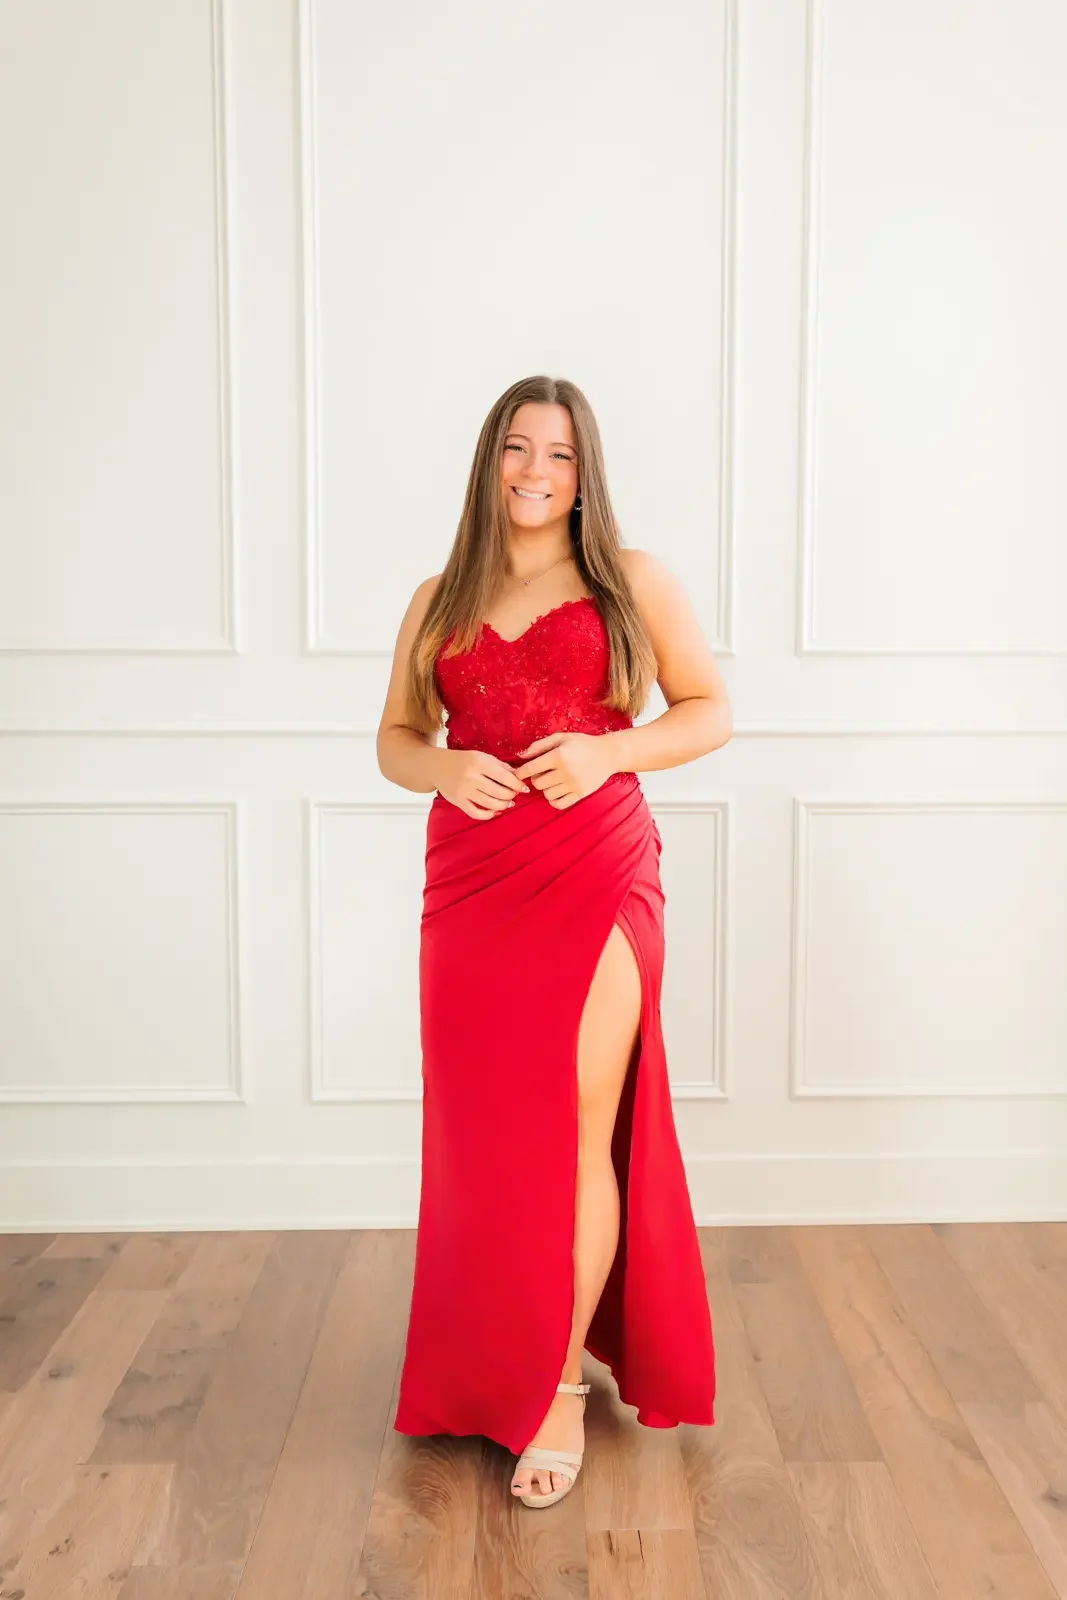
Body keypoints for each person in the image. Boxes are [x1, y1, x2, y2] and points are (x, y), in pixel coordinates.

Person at [376, 374, 732, 1509]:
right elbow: (393, 736)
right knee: (485, 1138)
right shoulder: (438, 597)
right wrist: (441, 765)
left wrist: (607, 754)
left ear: (586, 475)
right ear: (489, 461)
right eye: (518, 449)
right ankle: (493, 1358)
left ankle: (557, 1385)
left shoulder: (631, 581)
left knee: (580, 1124)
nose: (536, 471)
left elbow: (708, 708)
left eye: (560, 455)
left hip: (594, 872)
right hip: (471, 886)